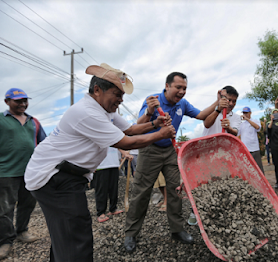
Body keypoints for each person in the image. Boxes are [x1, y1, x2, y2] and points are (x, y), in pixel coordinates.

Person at [24, 63, 176, 262]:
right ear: (97, 90)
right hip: (53, 176)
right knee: (76, 232)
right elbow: (126, 142)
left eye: (122, 96)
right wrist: (160, 134)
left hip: (65, 174)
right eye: (117, 94)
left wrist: (154, 124)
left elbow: (130, 129)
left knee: (65, 232)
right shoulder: (87, 112)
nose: (120, 100)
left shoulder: (106, 112)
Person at [124, 72, 223, 253]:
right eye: (178, 87)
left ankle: (177, 230)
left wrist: (217, 102)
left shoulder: (182, 104)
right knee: (141, 192)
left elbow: (201, 115)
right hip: (149, 149)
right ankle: (131, 233)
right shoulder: (153, 100)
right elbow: (139, 124)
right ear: (167, 86)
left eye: (184, 88)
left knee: (176, 190)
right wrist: (150, 111)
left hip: (170, 150)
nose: (182, 91)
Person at [0, 88, 46, 260]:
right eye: (18, 101)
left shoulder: (34, 121)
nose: (23, 104)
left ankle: (22, 231)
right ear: (7, 102)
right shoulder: (1, 119)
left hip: (30, 171)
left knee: (27, 204)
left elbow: (43, 144)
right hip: (5, 171)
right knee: (5, 208)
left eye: (25, 100)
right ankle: (5, 241)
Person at [93, 148, 131, 223]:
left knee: (114, 188)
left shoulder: (112, 136)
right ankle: (101, 212)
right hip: (101, 165)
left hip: (114, 163)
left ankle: (113, 208)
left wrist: (125, 153)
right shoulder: (97, 136)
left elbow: (117, 144)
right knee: (101, 189)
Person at [238, 107, 265, 174]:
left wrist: (247, 119)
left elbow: (257, 127)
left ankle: (262, 182)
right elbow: (236, 133)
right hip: (246, 150)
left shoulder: (255, 120)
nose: (245, 114)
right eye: (244, 113)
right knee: (247, 168)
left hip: (254, 149)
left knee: (258, 168)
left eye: (246, 113)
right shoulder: (241, 124)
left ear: (250, 113)